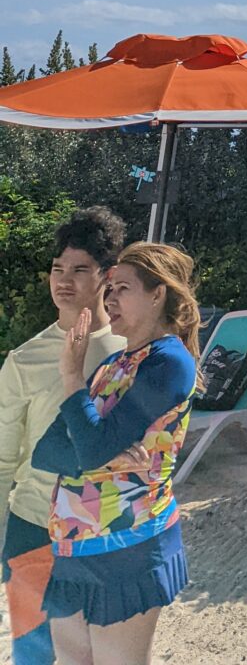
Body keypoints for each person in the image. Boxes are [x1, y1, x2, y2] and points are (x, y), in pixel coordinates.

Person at [32, 243, 200, 665]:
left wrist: (71, 375)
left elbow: (88, 446)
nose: (109, 300)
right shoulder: (113, 366)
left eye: (122, 288)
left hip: (128, 549)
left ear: (157, 293)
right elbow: (46, 450)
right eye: (108, 290)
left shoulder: (169, 363)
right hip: (74, 547)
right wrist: (100, 455)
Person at [0, 208, 126, 665]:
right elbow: (2, 460)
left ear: (107, 276)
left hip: (104, 532)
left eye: (79, 269)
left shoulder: (131, 355)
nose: (64, 280)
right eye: (58, 269)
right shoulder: (24, 359)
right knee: (34, 655)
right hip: (32, 527)